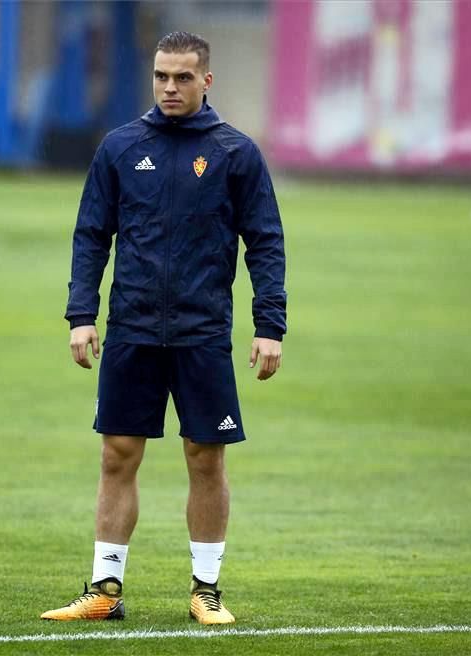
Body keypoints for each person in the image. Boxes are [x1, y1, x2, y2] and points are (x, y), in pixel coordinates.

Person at [41, 31, 286, 625]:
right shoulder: (121, 148)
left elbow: (266, 242)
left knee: (206, 459)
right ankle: (104, 588)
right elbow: (91, 236)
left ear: (207, 80)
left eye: (181, 77)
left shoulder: (236, 153)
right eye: (160, 77)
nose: (169, 88)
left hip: (203, 333)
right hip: (133, 330)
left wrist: (269, 324)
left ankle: (206, 590)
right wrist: (81, 314)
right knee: (117, 456)